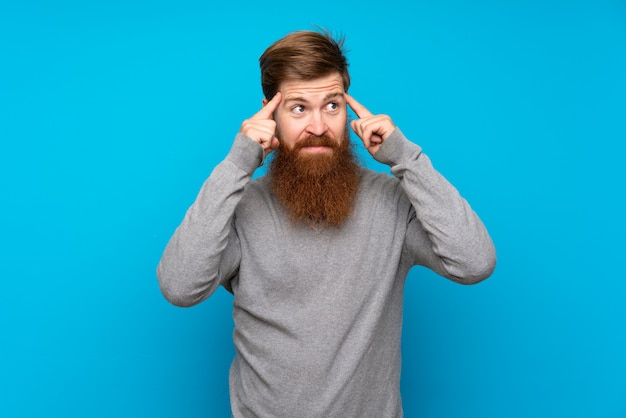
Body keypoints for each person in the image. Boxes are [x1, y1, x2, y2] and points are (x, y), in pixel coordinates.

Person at [157, 29, 496, 417]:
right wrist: (237, 164)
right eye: (299, 108)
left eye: (332, 106)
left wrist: (406, 158)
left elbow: (474, 263)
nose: (318, 126)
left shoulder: (392, 203)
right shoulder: (240, 207)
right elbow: (180, 288)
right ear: (270, 113)